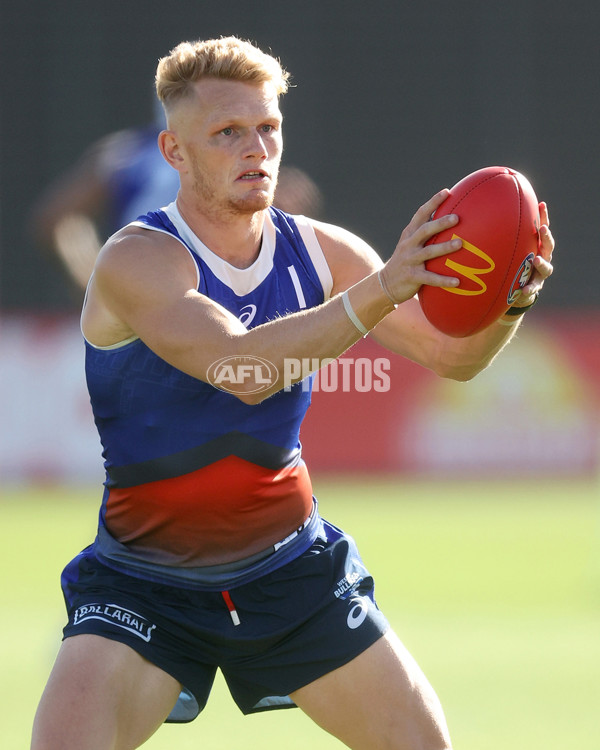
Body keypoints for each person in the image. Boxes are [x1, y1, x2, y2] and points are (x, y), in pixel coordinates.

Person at [30, 36, 554, 750]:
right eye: (228, 133)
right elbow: (240, 371)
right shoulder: (137, 258)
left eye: (269, 128)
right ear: (175, 153)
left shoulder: (323, 250)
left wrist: (511, 304)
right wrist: (385, 286)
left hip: (291, 573)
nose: (257, 149)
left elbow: (451, 356)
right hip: (141, 581)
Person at [31, 102, 322, 293]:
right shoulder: (237, 153)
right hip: (209, 301)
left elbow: (54, 217)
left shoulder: (121, 154)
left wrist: (96, 283)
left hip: (141, 299)